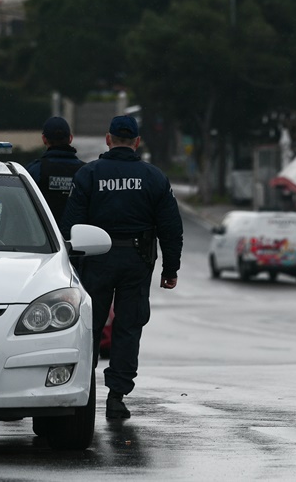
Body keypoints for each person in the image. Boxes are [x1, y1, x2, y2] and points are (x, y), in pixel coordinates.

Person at [60, 115, 183, 420]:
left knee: (88, 327)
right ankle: (117, 396)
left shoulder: (89, 175)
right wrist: (170, 270)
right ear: (137, 142)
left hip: (94, 259)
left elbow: (70, 225)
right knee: (128, 327)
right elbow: (171, 228)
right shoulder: (154, 177)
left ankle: (82, 393)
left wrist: (69, 268)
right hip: (137, 260)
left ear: (108, 139)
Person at [26, 116, 85, 225]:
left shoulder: (35, 170)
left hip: (44, 239)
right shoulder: (86, 171)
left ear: (44, 139)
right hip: (78, 239)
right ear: (70, 138)